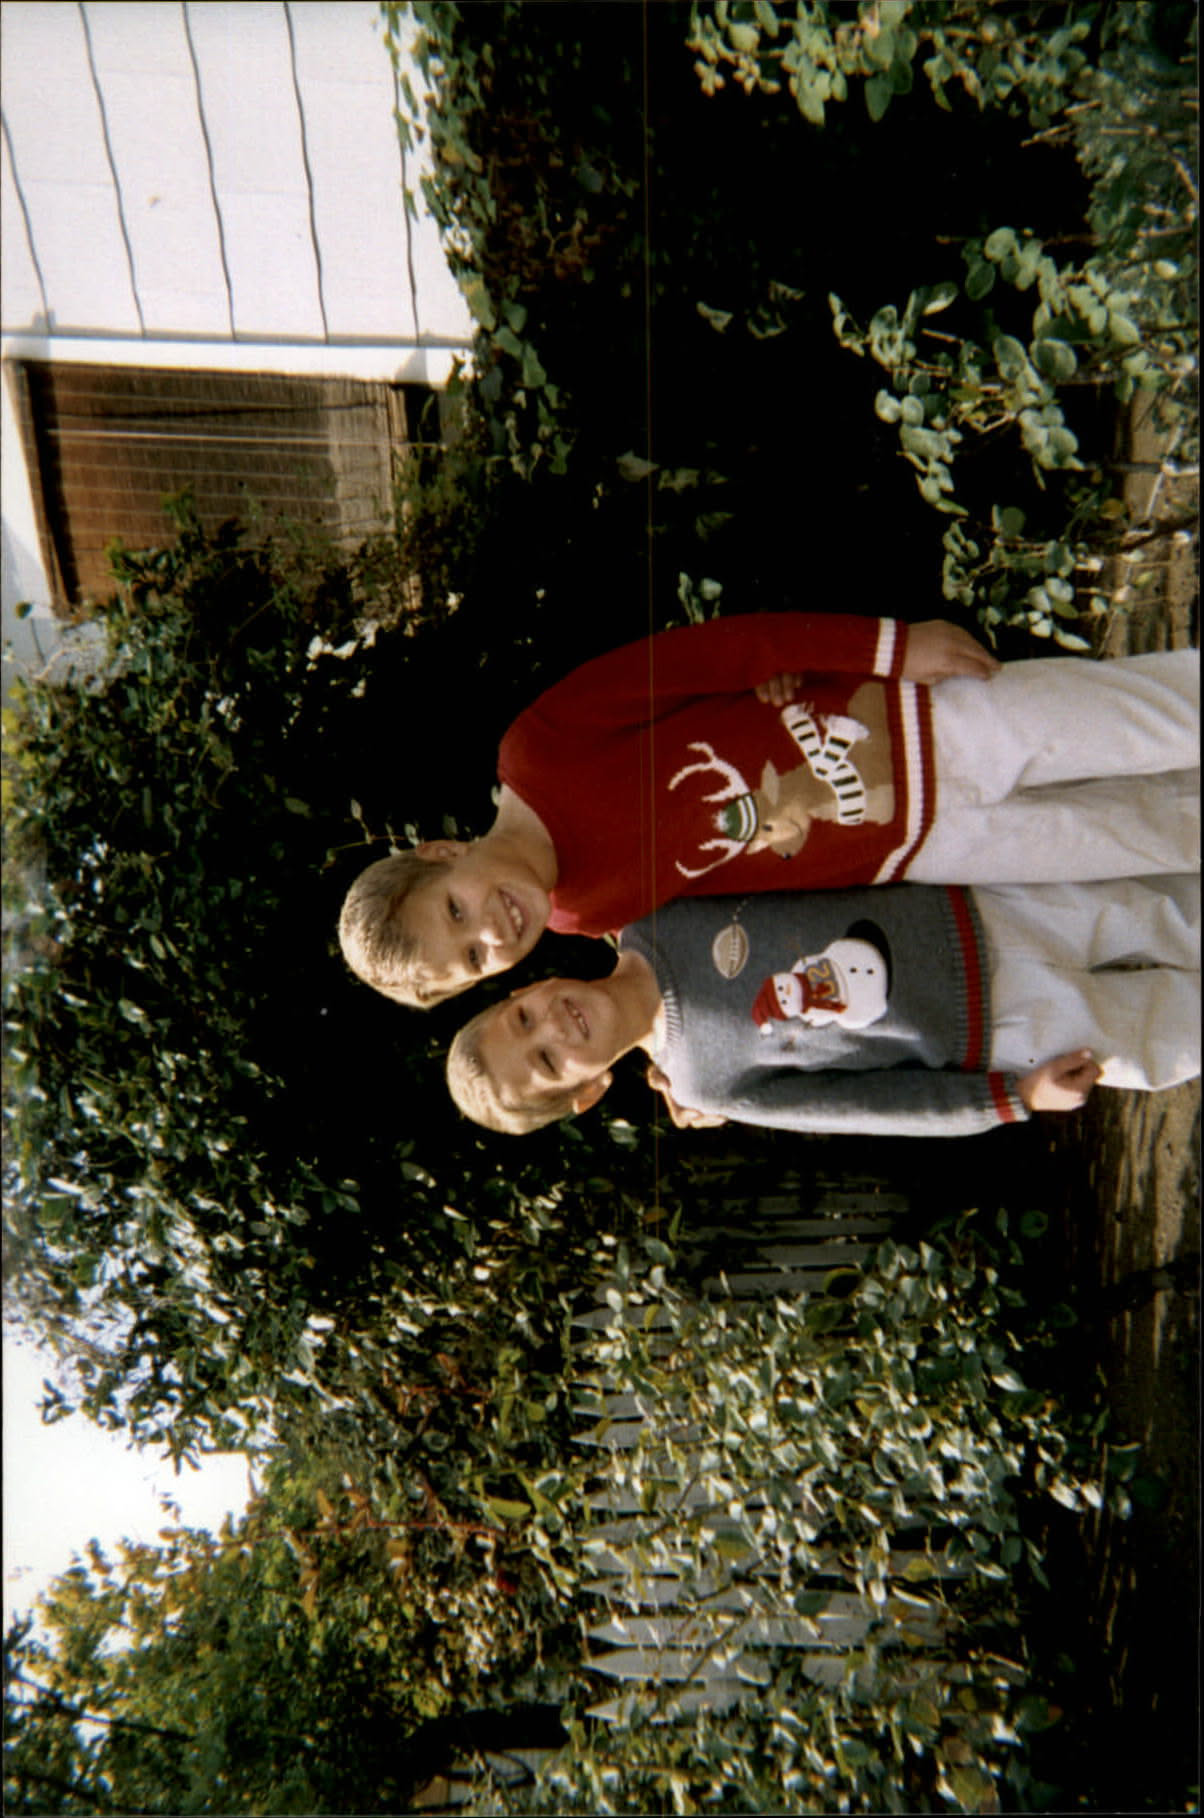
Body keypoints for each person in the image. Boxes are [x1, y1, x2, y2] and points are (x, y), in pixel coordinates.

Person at [338, 611, 1199, 1007]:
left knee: (1161, 719)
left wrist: (890, 647)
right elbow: (715, 945)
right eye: (474, 960)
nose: (492, 934)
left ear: (442, 852)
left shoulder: (539, 748)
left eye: (456, 911)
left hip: (918, 723)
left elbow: (711, 654)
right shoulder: (582, 916)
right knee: (1147, 838)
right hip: (917, 843)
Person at [444, 876, 1201, 1138]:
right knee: (1168, 1033)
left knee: (1165, 905)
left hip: (981, 907)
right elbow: (869, 1109)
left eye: (524, 1019)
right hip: (999, 1030)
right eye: (547, 1060)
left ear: (524, 988)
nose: (553, 1027)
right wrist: (1015, 1097)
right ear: (587, 1091)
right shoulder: (708, 1084)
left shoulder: (656, 910)